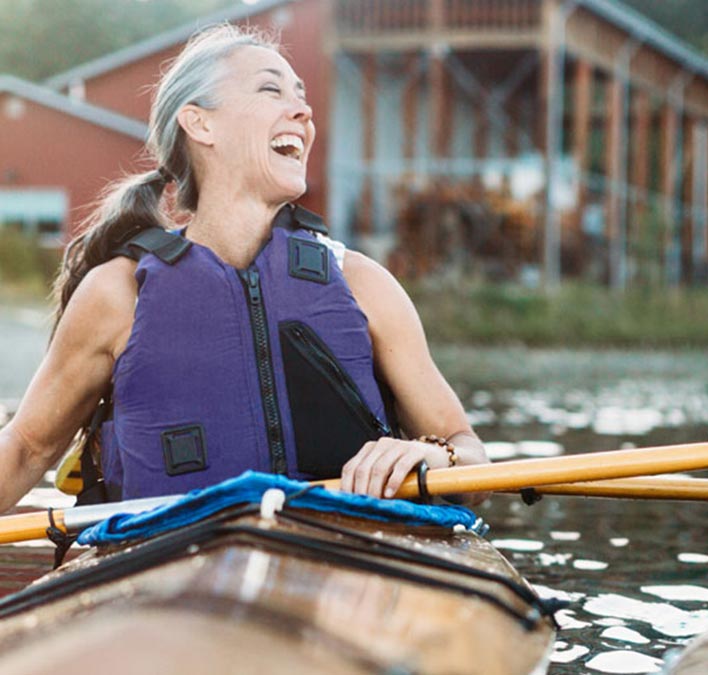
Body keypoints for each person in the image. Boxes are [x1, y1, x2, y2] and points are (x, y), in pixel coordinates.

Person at [0, 25, 487, 509]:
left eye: (300, 93)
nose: (303, 109)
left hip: (346, 555)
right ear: (200, 124)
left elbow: (472, 461)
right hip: (167, 560)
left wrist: (432, 452)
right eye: (270, 89)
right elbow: (26, 449)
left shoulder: (363, 284)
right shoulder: (115, 294)